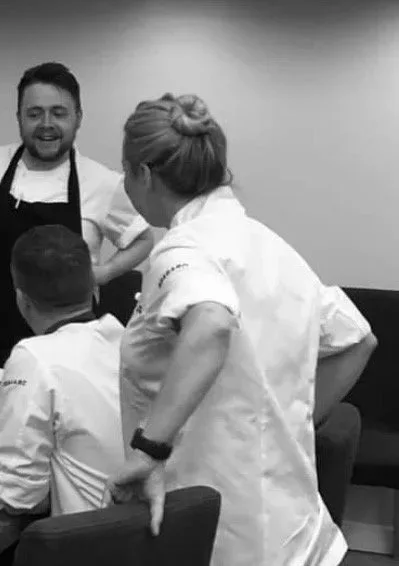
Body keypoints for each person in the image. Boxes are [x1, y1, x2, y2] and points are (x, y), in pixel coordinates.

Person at [110, 94, 377, 566]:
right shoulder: (270, 244)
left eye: (124, 172)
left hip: (226, 537)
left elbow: (211, 323)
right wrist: (288, 423)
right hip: (299, 533)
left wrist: (150, 450)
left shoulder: (181, 248)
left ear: (144, 174)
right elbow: (357, 338)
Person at [0, 61, 152, 366]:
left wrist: (103, 273)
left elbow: (142, 239)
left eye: (59, 113)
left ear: (78, 118)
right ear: (19, 118)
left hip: (68, 357)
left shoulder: (103, 183)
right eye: (34, 113)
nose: (46, 123)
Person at [0, 225, 126, 517]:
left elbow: (20, 498)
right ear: (93, 286)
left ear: (21, 299)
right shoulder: (123, 340)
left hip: (86, 541)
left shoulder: (35, 358)